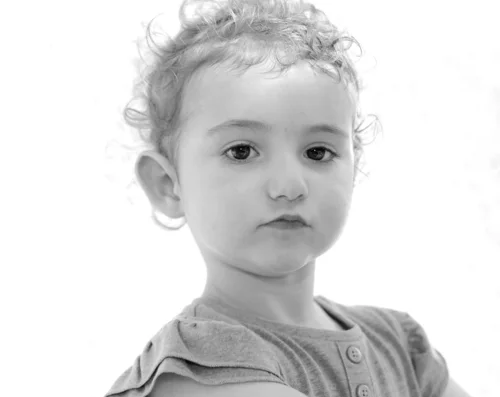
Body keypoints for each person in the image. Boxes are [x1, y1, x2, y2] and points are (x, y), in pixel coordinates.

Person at [105, 0, 472, 396]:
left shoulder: (400, 344)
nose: (289, 186)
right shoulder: (197, 367)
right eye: (242, 151)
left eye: (318, 152)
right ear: (166, 183)